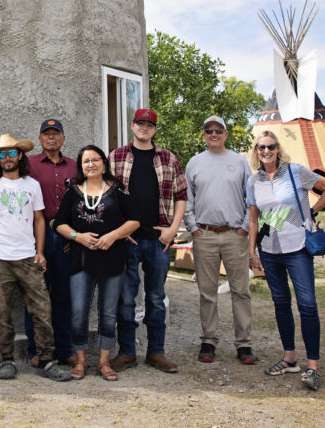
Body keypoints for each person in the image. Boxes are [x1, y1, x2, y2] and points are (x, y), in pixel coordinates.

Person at [0, 134, 71, 382]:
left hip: (29, 257)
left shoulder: (32, 185)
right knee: (2, 312)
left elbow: (40, 219)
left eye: (11, 153)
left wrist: (40, 252)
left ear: (20, 155)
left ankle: (47, 361)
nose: (7, 158)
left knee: (42, 309)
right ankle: (6, 360)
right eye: (2, 154)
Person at [247, 130, 325, 391]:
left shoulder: (296, 171)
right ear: (256, 151)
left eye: (270, 147)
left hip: (297, 246)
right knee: (281, 303)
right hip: (269, 249)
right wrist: (252, 253)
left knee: (307, 304)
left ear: (277, 148)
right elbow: (254, 219)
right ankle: (289, 358)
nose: (266, 151)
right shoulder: (254, 181)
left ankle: (313, 366)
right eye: (261, 147)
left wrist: (313, 211)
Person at [108, 107, 187, 374]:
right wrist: (119, 230)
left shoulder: (168, 158)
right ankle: (127, 353)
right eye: (140, 123)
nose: (144, 128)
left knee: (155, 297)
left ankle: (156, 352)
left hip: (159, 240)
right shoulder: (115, 157)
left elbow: (181, 196)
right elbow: (106, 197)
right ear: (132, 126)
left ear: (154, 129)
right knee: (126, 299)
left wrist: (173, 229)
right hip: (127, 240)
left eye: (149, 125)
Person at [55, 145, 140, 381]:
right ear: (80, 166)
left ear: (104, 162)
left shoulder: (117, 190)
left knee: (109, 312)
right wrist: (77, 236)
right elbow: (59, 223)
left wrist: (113, 235)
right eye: (85, 161)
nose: (90, 164)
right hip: (80, 260)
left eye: (95, 159)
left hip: (112, 259)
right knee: (79, 310)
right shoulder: (73, 192)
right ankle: (81, 360)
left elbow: (134, 221)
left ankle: (103, 362)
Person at [183, 116, 255, 365]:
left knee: (240, 291)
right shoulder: (194, 163)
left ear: (226, 134)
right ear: (203, 135)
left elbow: (251, 198)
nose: (213, 134)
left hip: (235, 234)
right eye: (208, 130)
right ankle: (209, 340)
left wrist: (245, 228)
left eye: (218, 130)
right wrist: (193, 228)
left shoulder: (239, 162)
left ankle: (244, 344)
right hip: (205, 235)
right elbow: (187, 199)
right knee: (207, 292)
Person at [23, 118, 76, 368]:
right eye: (47, 134)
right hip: (38, 234)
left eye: (56, 133)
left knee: (64, 296)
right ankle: (36, 349)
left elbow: (83, 202)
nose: (51, 137)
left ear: (63, 138)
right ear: (40, 138)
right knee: (35, 296)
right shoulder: (29, 164)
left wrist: (74, 236)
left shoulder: (75, 167)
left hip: (67, 236)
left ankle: (65, 349)